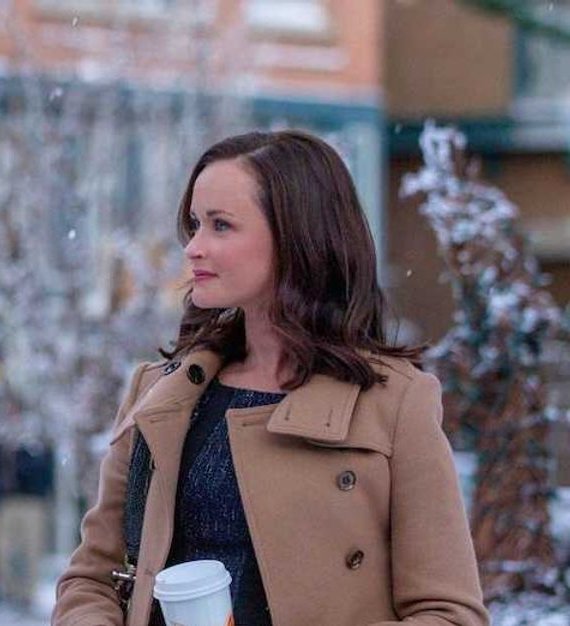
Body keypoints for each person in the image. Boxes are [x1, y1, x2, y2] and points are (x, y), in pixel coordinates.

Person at [53, 131, 488, 626]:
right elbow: (93, 578)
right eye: (195, 224)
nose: (194, 247)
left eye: (221, 226)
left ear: (296, 237)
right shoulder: (161, 392)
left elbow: (448, 613)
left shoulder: (394, 403)